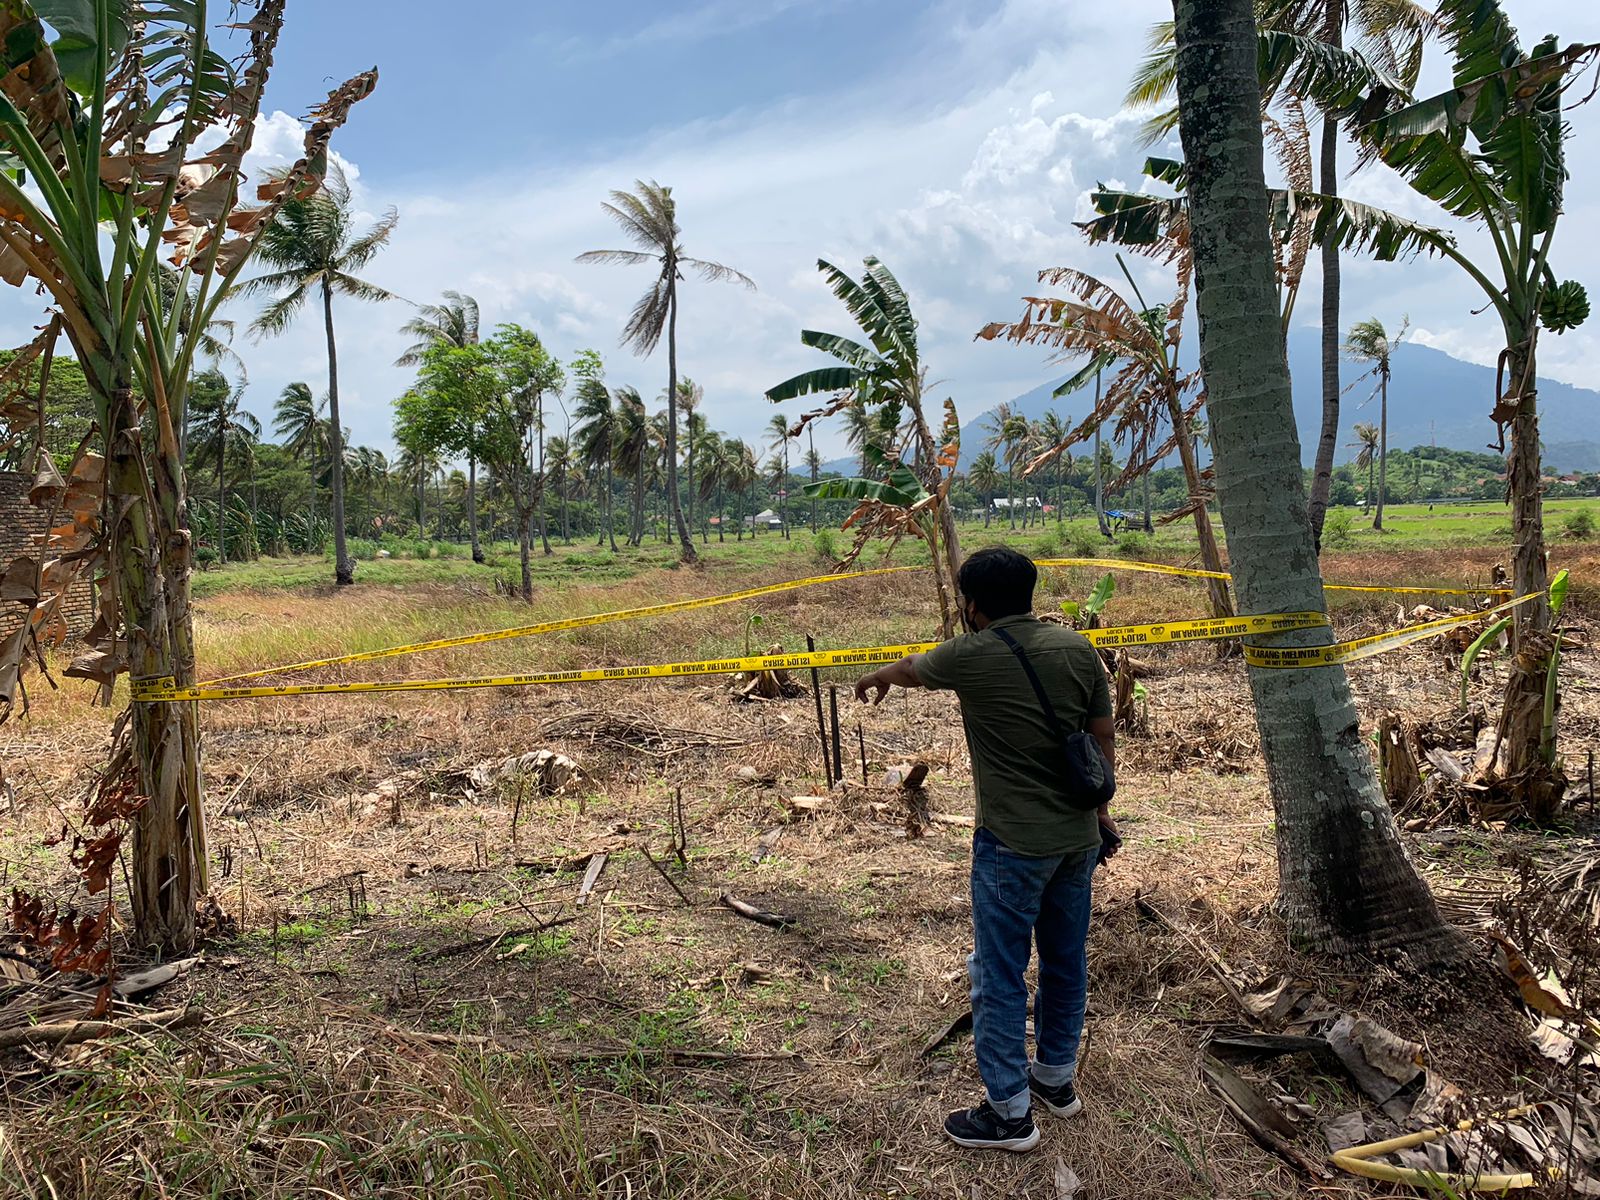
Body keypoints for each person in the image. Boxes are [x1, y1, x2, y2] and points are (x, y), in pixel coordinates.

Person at [854, 545, 1117, 1153]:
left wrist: (871, 678)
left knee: (998, 974)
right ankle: (1054, 1079)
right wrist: (1100, 813)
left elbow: (910, 667)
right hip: (1079, 837)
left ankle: (1008, 1115)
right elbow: (1102, 738)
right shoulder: (1078, 649)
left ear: (971, 604)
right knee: (1064, 960)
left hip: (1011, 844)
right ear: (1029, 593)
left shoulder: (969, 654)